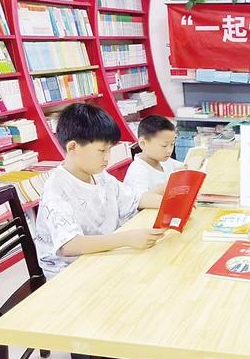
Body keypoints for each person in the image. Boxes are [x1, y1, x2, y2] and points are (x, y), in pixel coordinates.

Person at [35, 103, 164, 279]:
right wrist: (126, 239)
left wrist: (171, 202)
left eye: (110, 149)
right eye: (102, 150)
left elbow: (134, 199)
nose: (107, 157)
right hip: (70, 274)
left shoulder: (99, 175)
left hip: (103, 255)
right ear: (72, 147)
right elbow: (69, 245)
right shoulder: (56, 188)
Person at [124, 115, 184, 195]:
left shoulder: (164, 160)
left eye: (172, 144)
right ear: (143, 143)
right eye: (164, 145)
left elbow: (183, 166)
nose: (169, 150)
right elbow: (140, 199)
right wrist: (169, 185)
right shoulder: (137, 171)